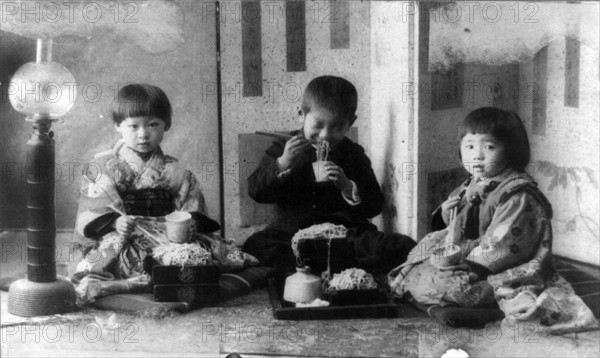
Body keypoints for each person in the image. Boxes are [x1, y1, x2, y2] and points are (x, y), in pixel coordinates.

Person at [388, 107, 595, 330]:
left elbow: (504, 242)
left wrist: (467, 267)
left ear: (510, 151)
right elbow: (457, 228)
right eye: (469, 146)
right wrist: (449, 214)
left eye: (489, 146)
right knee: (418, 268)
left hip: (500, 264)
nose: (477, 155)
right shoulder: (472, 182)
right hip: (468, 254)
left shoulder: (517, 194)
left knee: (453, 286)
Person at [72, 83, 256, 305]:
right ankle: (136, 280)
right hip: (125, 232)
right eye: (133, 126)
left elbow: (190, 203)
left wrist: (190, 223)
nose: (143, 134)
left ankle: (137, 282)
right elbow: (96, 206)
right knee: (106, 258)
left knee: (197, 254)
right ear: (118, 125)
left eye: (152, 124)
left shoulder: (174, 169)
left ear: (166, 125)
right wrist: (115, 223)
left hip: (165, 232)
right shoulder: (104, 165)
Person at [242, 76, 386, 274]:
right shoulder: (284, 147)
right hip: (292, 232)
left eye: (337, 127)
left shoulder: (353, 153)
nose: (325, 135)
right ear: (302, 114)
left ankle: (315, 266)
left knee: (396, 245)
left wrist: (347, 186)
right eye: (318, 125)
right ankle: (332, 266)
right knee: (256, 246)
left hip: (342, 232)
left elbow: (375, 205)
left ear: (350, 123)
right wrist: (282, 162)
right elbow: (255, 190)